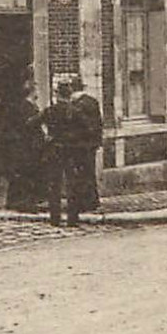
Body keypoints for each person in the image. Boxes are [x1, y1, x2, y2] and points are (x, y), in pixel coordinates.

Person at [41, 79, 84, 226]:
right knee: (72, 185)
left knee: (54, 185)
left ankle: (55, 219)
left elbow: (31, 123)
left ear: (57, 94)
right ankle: (73, 219)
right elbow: (86, 130)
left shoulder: (50, 111)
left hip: (54, 150)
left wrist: (47, 135)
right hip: (71, 152)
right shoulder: (76, 112)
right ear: (70, 94)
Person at [3, 77, 47, 211]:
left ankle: (17, 200)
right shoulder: (25, 107)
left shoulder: (28, 106)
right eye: (36, 90)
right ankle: (22, 201)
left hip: (26, 144)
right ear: (31, 92)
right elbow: (27, 125)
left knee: (23, 172)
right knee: (24, 172)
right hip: (25, 145)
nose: (38, 93)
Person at [68, 77, 103, 213]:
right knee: (88, 173)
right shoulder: (92, 101)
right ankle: (92, 201)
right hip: (90, 144)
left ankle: (84, 203)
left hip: (80, 145)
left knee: (81, 174)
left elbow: (80, 125)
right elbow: (99, 123)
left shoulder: (77, 105)